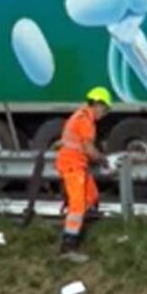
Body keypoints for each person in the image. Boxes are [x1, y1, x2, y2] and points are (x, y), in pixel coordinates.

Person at [57, 87, 112, 262]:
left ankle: (84, 227)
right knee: (77, 206)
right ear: (97, 104)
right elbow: (88, 148)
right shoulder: (86, 121)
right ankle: (68, 246)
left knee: (91, 195)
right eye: (104, 109)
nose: (104, 114)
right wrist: (104, 160)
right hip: (73, 166)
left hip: (75, 164)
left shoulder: (79, 116)